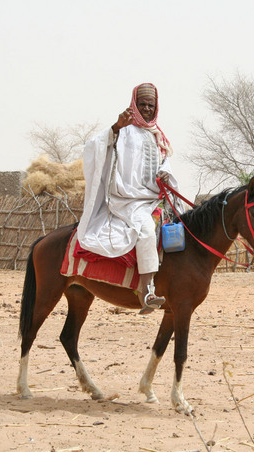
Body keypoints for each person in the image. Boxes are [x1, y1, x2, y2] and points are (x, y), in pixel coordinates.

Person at [77, 83, 179, 314]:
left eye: (150, 106)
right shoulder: (123, 130)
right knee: (145, 229)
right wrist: (116, 127)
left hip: (153, 197)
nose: (146, 109)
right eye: (141, 104)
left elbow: (165, 162)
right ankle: (146, 290)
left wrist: (166, 173)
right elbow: (94, 146)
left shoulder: (158, 135)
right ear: (133, 104)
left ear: (156, 108)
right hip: (127, 200)